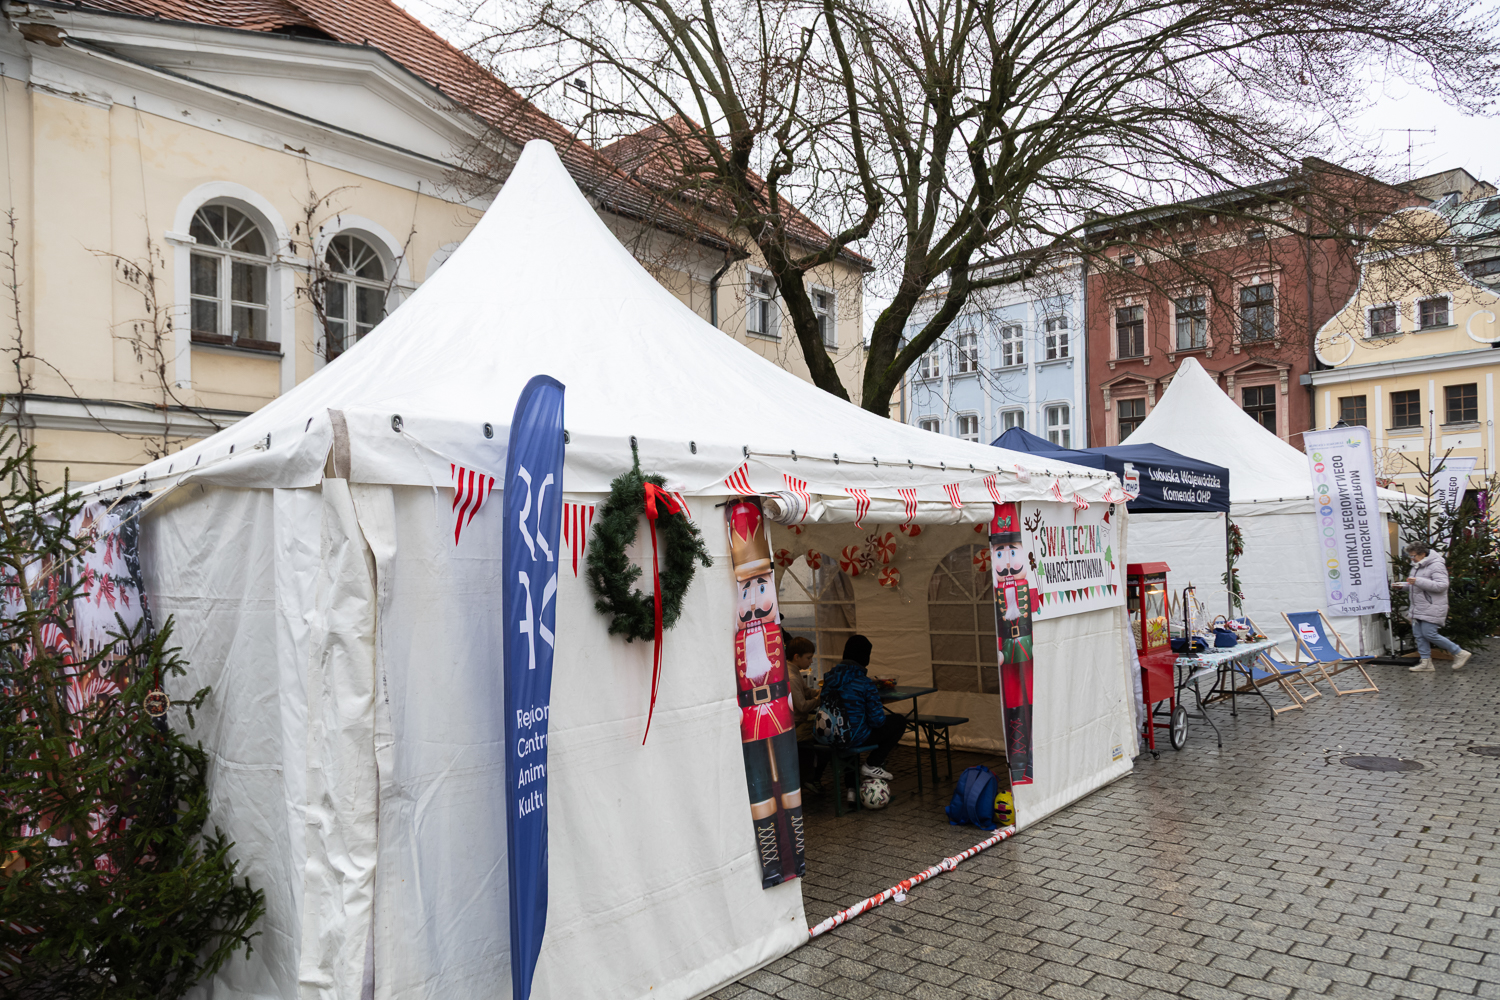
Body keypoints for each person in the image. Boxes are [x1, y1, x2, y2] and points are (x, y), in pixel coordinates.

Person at [820, 634, 907, 781]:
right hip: (852, 737)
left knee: (847, 727)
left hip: (828, 735)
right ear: (865, 657)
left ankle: (851, 788)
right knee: (899, 721)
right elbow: (877, 721)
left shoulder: (829, 678)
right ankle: (872, 764)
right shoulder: (865, 682)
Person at [1401, 541, 1472, 672]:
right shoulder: (1416, 566)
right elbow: (1417, 586)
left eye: (1413, 555)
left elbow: (1442, 585)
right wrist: (1402, 586)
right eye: (1410, 556)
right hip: (1418, 607)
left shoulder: (1436, 565)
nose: (1411, 558)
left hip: (1432, 606)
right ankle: (1426, 662)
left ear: (1423, 554)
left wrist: (1418, 581)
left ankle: (1459, 652)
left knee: (1429, 633)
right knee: (1419, 635)